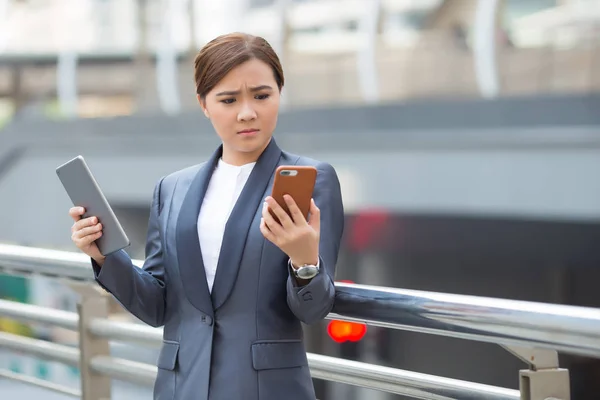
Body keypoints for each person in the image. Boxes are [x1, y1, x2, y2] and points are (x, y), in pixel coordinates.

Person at [68, 32, 344, 400]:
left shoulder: (313, 179)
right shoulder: (172, 189)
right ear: (203, 103)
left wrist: (304, 260)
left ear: (280, 92)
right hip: (181, 387)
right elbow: (157, 306)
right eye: (228, 100)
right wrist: (104, 255)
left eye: (262, 95)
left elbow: (313, 311)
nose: (248, 112)